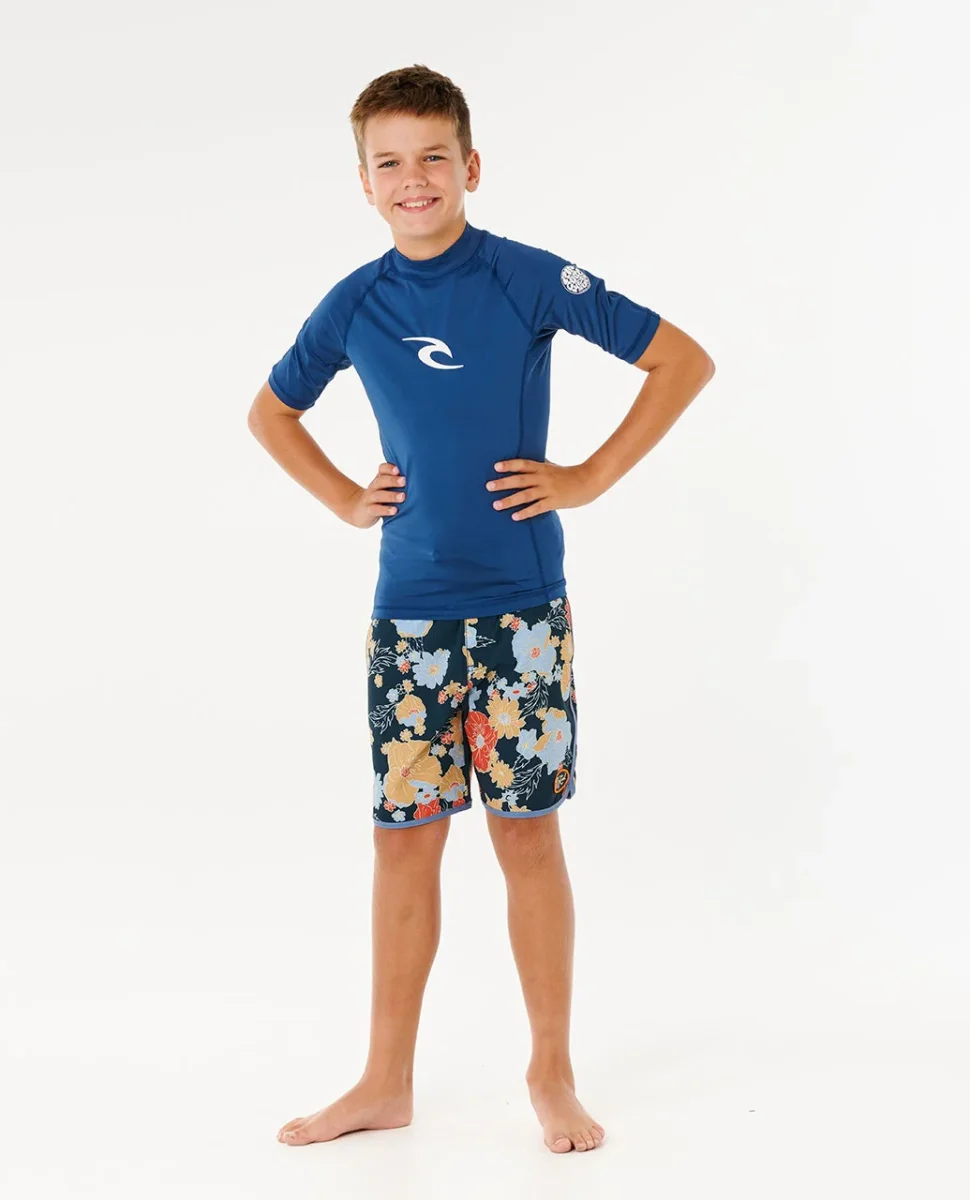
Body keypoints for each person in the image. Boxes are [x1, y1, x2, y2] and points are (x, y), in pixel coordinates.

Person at [248, 63, 715, 1154]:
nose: (413, 179)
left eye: (432, 157)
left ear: (470, 165)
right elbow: (271, 413)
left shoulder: (524, 277)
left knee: (526, 835)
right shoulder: (354, 302)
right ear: (363, 182)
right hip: (409, 620)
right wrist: (343, 498)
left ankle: (551, 1070)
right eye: (389, 162)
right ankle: (384, 1079)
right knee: (403, 845)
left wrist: (586, 477)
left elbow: (681, 360)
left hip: (520, 615)